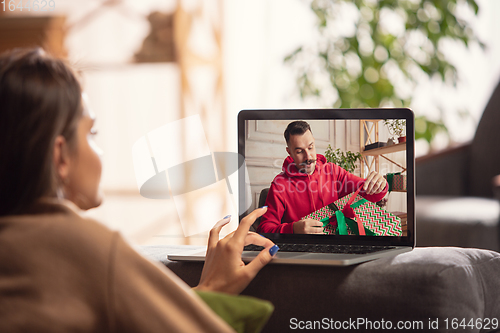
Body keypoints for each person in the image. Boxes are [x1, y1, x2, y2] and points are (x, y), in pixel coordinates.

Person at [0, 48, 279, 332]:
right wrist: (211, 290)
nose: (100, 151)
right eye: (91, 133)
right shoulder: (88, 247)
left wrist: (204, 290)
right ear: (61, 155)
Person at [257, 120, 388, 234]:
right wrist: (293, 229)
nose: (308, 157)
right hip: (301, 252)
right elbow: (264, 229)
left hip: (336, 246)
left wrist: (380, 185)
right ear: (289, 152)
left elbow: (371, 194)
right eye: (299, 151)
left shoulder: (333, 171)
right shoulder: (279, 184)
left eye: (310, 147)